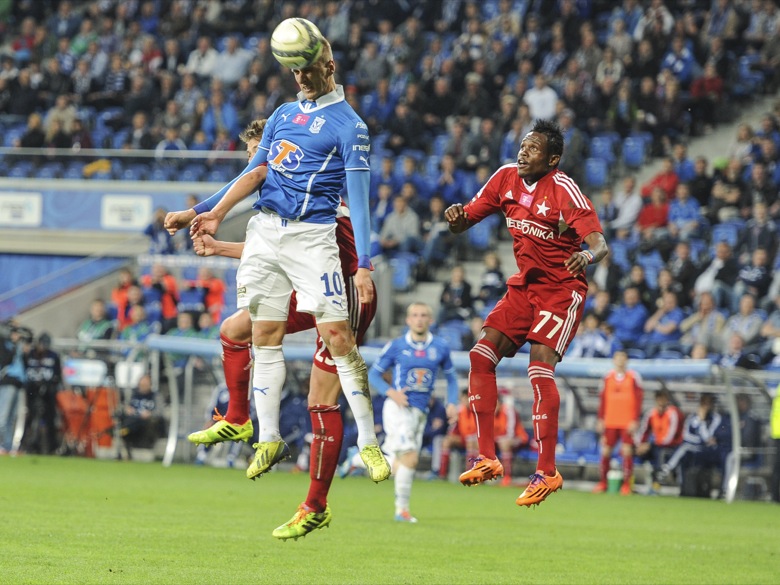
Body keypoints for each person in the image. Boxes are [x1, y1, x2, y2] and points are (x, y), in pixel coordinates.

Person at [166, 111, 389, 539]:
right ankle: (240, 417)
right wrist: (218, 247)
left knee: (320, 400)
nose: (259, 165)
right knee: (234, 329)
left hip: (345, 296)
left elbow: (314, 245)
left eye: (263, 155)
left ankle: (317, 503)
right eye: (255, 156)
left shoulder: (320, 198)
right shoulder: (282, 201)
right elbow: (273, 249)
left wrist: (206, 215)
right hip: (306, 288)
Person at [444, 119, 608, 507]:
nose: (523, 153)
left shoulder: (564, 189)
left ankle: (547, 471)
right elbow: (465, 221)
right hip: (524, 288)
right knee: (480, 356)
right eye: (522, 146)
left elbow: (600, 244)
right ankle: (486, 457)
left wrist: (586, 256)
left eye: (533, 149)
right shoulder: (505, 178)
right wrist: (456, 219)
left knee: (539, 369)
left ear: (552, 159)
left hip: (561, 291)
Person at [364, 302, 458, 522]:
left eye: (423, 315)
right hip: (399, 408)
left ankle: (359, 460)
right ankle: (401, 511)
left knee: (401, 463)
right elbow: (373, 374)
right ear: (408, 320)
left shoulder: (441, 347)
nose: (419, 319)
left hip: (420, 412)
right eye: (415, 315)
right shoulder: (397, 345)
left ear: (430, 320)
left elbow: (452, 379)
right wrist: (392, 393)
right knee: (410, 458)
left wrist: (452, 403)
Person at [593, 349, 643, 495]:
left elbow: (639, 399)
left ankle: (627, 485)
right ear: (614, 360)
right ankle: (603, 482)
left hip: (627, 421)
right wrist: (601, 419)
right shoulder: (607, 377)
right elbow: (602, 399)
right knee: (606, 451)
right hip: (610, 420)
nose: (620, 360)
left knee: (627, 451)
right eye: (618, 358)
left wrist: (635, 419)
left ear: (626, 360)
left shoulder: (634, 377)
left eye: (623, 357)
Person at [636, 389, 684, 494]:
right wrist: (640, 445)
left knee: (660, 454)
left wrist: (651, 444)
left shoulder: (673, 413)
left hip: (672, 446)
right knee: (633, 451)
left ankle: (656, 485)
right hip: (656, 445)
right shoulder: (651, 413)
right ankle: (629, 483)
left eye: (664, 400)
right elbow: (644, 431)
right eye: (659, 400)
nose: (661, 403)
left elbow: (671, 437)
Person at [21, 332, 62, 455]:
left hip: (48, 391)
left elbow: (58, 375)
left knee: (49, 419)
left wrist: (51, 385)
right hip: (32, 390)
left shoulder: (53, 356)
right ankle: (27, 445)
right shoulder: (30, 354)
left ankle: (51, 447)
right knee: (31, 418)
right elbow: (24, 369)